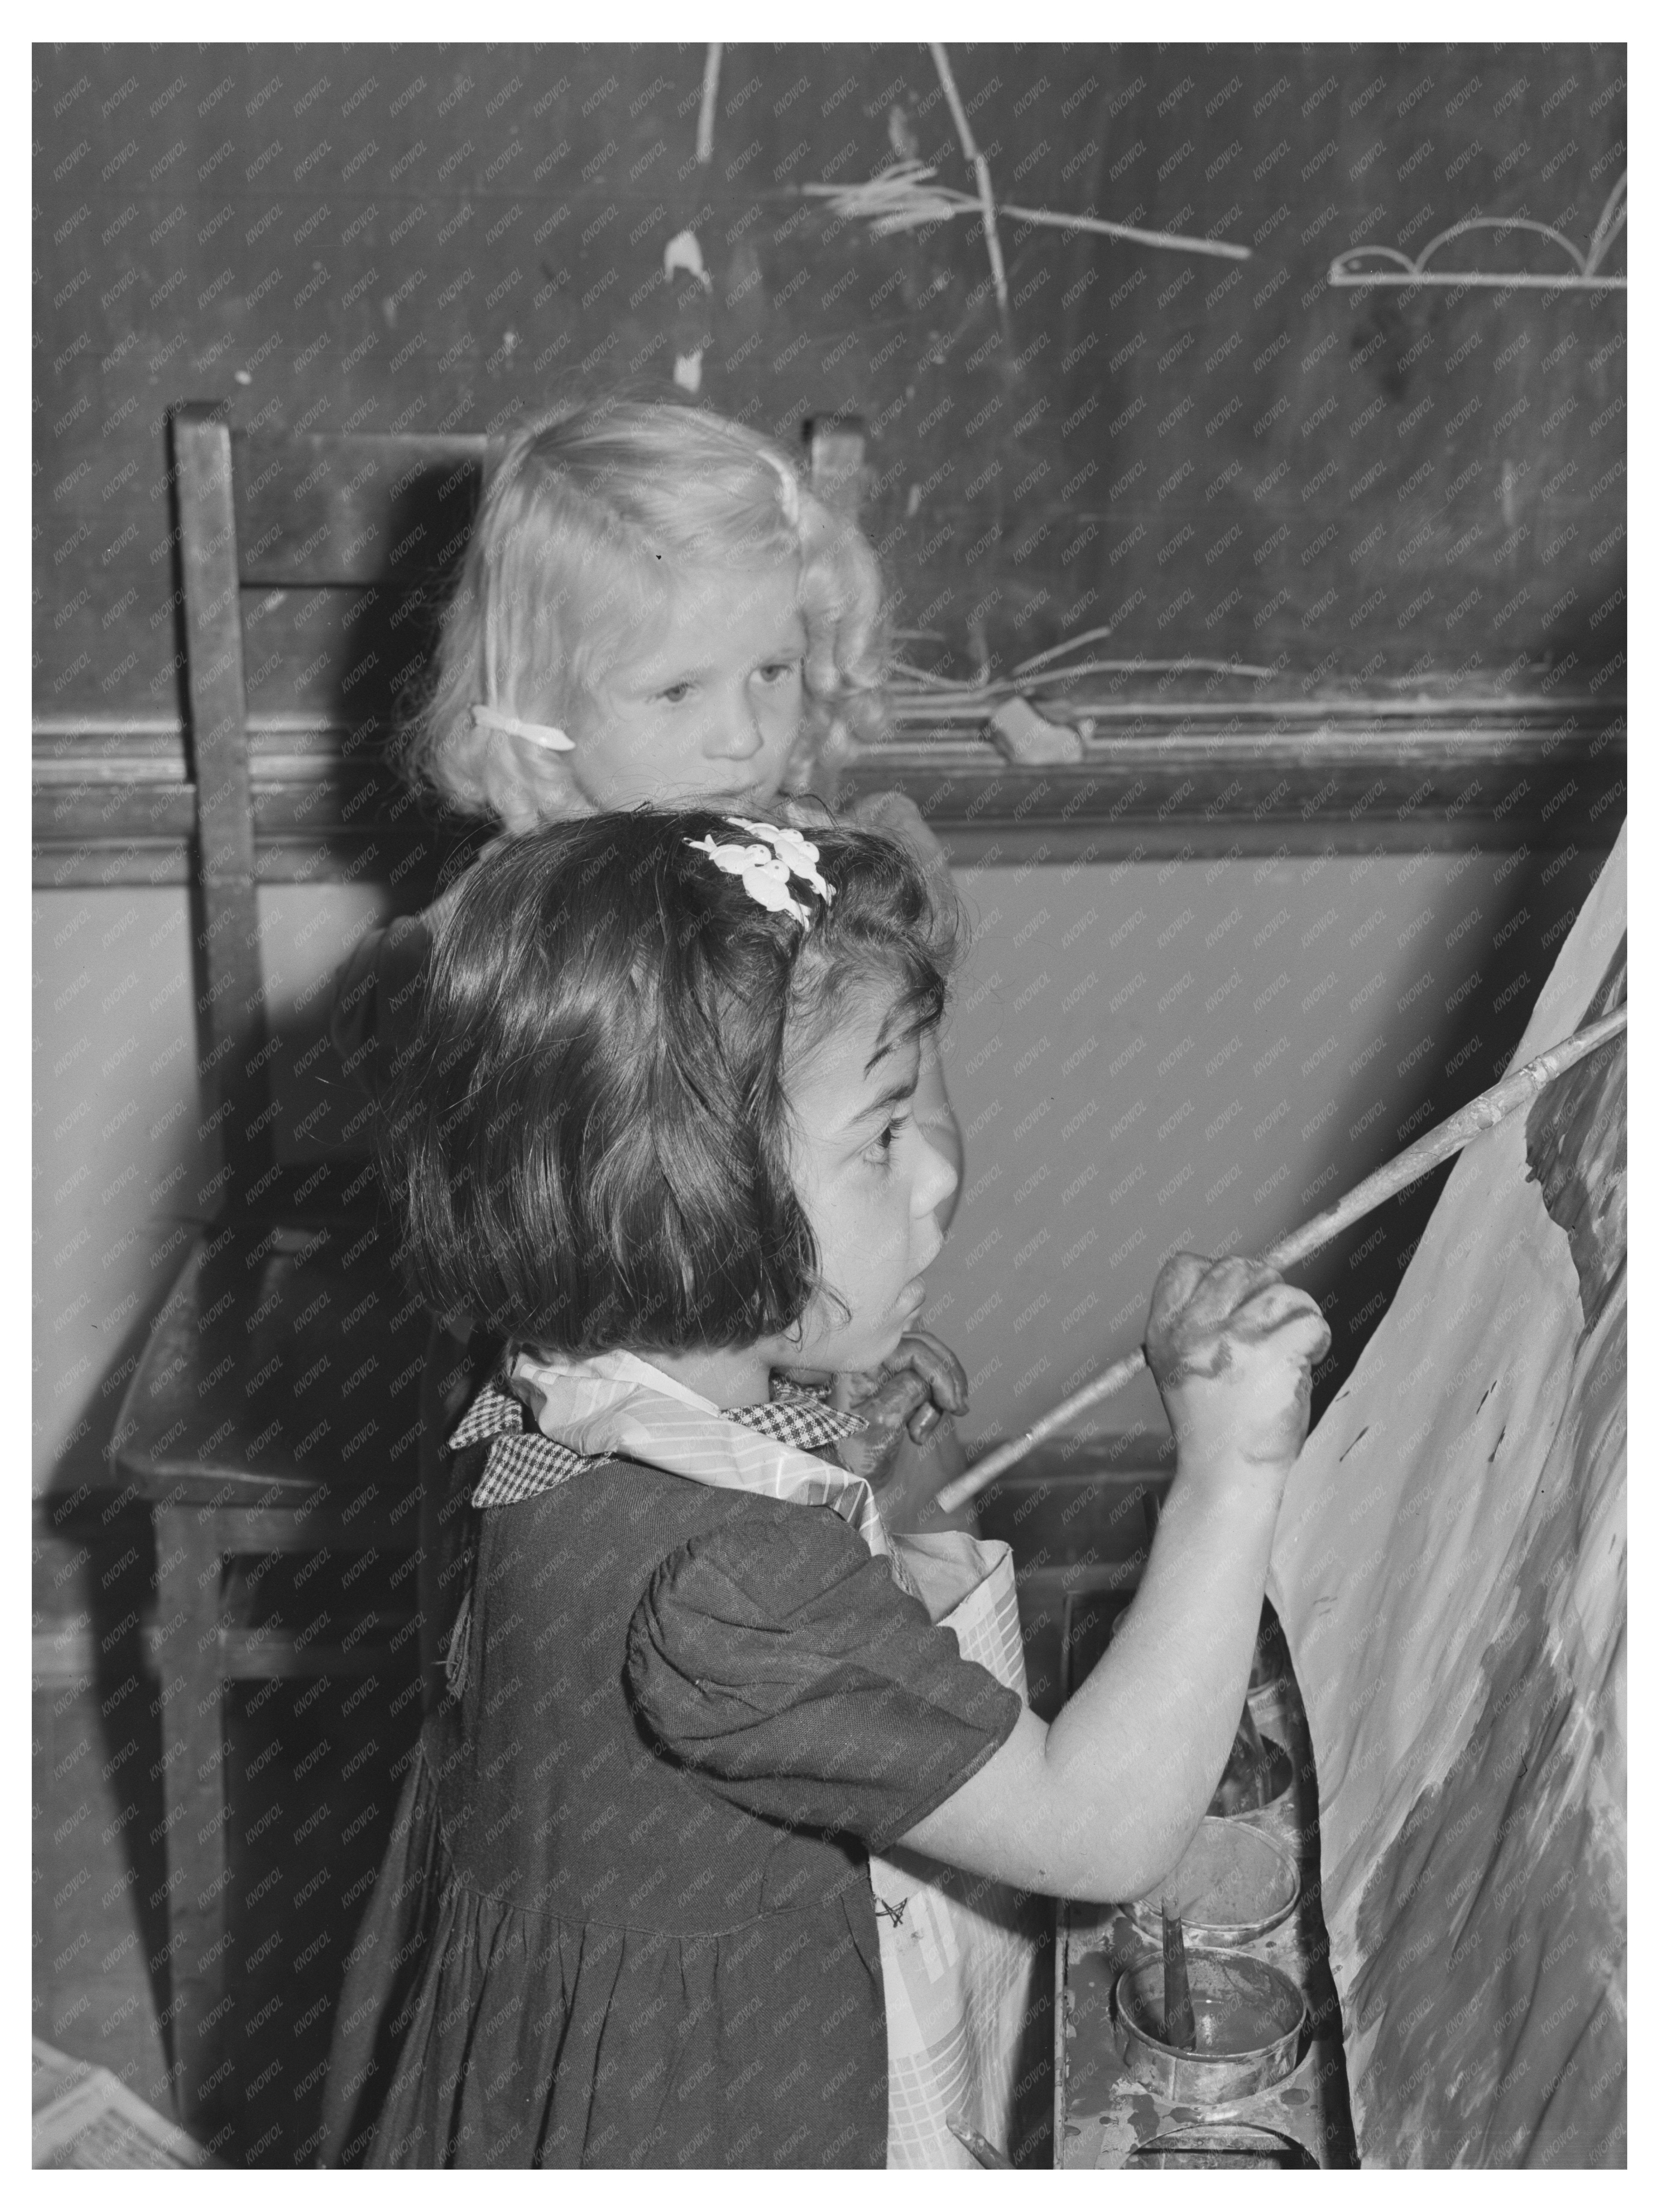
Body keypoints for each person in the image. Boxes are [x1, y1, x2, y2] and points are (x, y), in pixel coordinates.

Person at [320, 811, 1329, 2169]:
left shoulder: (549, 1390)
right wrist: (1229, 1471)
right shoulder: (732, 1590)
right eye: (883, 1130)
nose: (942, 1173)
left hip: (560, 2032)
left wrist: (828, 1435)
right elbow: (1099, 1832)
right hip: (707, 2108)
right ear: (687, 1204)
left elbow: (683, 1548)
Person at [332, 398, 968, 1598]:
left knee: (910, 1626)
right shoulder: (505, 949)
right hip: (602, 1428)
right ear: (538, 703)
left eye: (772, 670)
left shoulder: (843, 887)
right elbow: (513, 1254)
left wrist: (862, 1307)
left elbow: (925, 1134)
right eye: (676, 692)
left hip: (835, 1363)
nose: (744, 736)